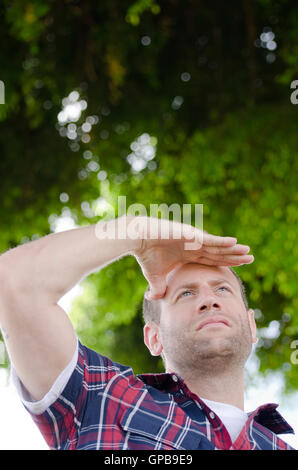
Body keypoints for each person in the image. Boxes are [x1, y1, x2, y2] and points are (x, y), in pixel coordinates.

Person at [0, 215, 294, 450]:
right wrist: (137, 232)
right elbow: (15, 281)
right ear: (154, 338)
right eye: (186, 294)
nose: (209, 299)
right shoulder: (99, 399)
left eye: (222, 288)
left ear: (252, 325)